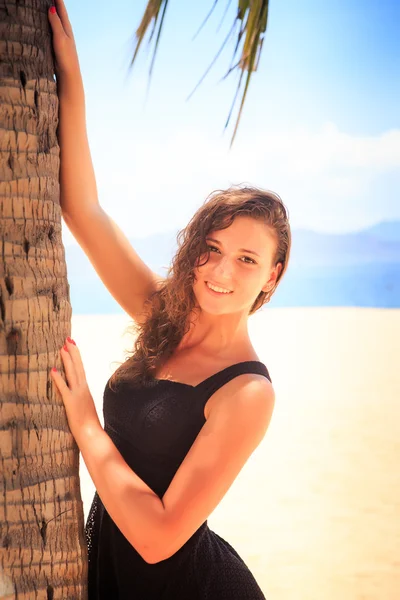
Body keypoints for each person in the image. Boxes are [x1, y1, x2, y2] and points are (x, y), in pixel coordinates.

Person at [48, 1, 291, 598]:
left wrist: (85, 422)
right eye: (210, 248)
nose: (220, 272)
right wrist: (72, 78)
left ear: (272, 278)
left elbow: (158, 537)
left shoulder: (247, 393)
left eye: (247, 259)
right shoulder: (165, 316)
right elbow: (82, 209)